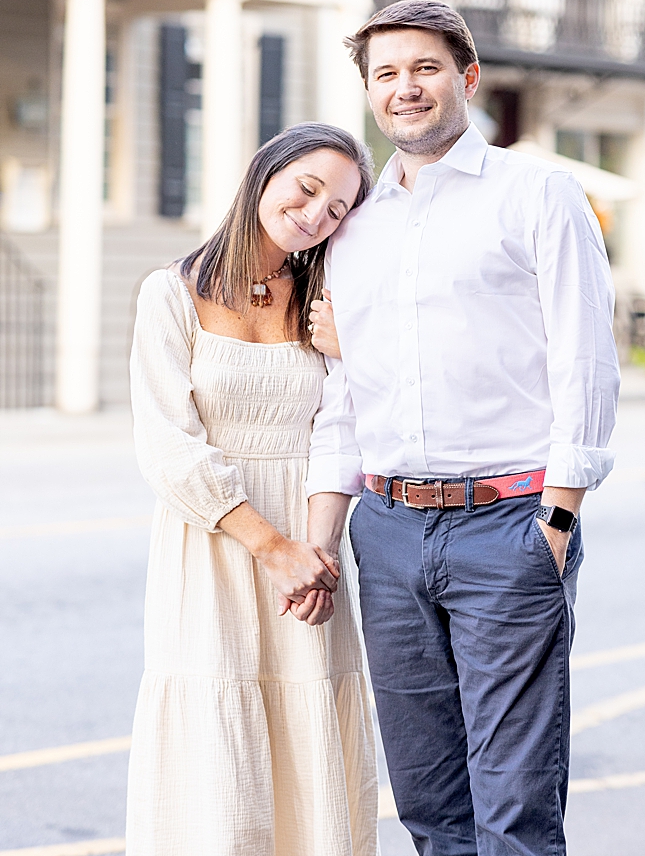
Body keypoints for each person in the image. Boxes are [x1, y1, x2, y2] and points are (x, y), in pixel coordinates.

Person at [305, 0, 620, 856]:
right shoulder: (355, 230)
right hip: (391, 532)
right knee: (430, 803)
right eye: (386, 75)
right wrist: (324, 537)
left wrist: (555, 520)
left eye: (424, 68)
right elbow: (344, 397)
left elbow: (585, 360)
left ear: (467, 77)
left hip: (509, 528)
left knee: (513, 809)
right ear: (370, 94)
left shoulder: (540, 193)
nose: (405, 88)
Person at [125, 122, 378, 856]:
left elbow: (347, 425)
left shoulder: (326, 305)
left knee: (309, 751)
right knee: (217, 758)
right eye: (307, 188)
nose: (316, 213)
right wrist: (272, 548)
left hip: (310, 553)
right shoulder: (170, 294)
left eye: (336, 209)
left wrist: (317, 556)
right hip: (214, 546)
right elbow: (168, 446)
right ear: (265, 173)